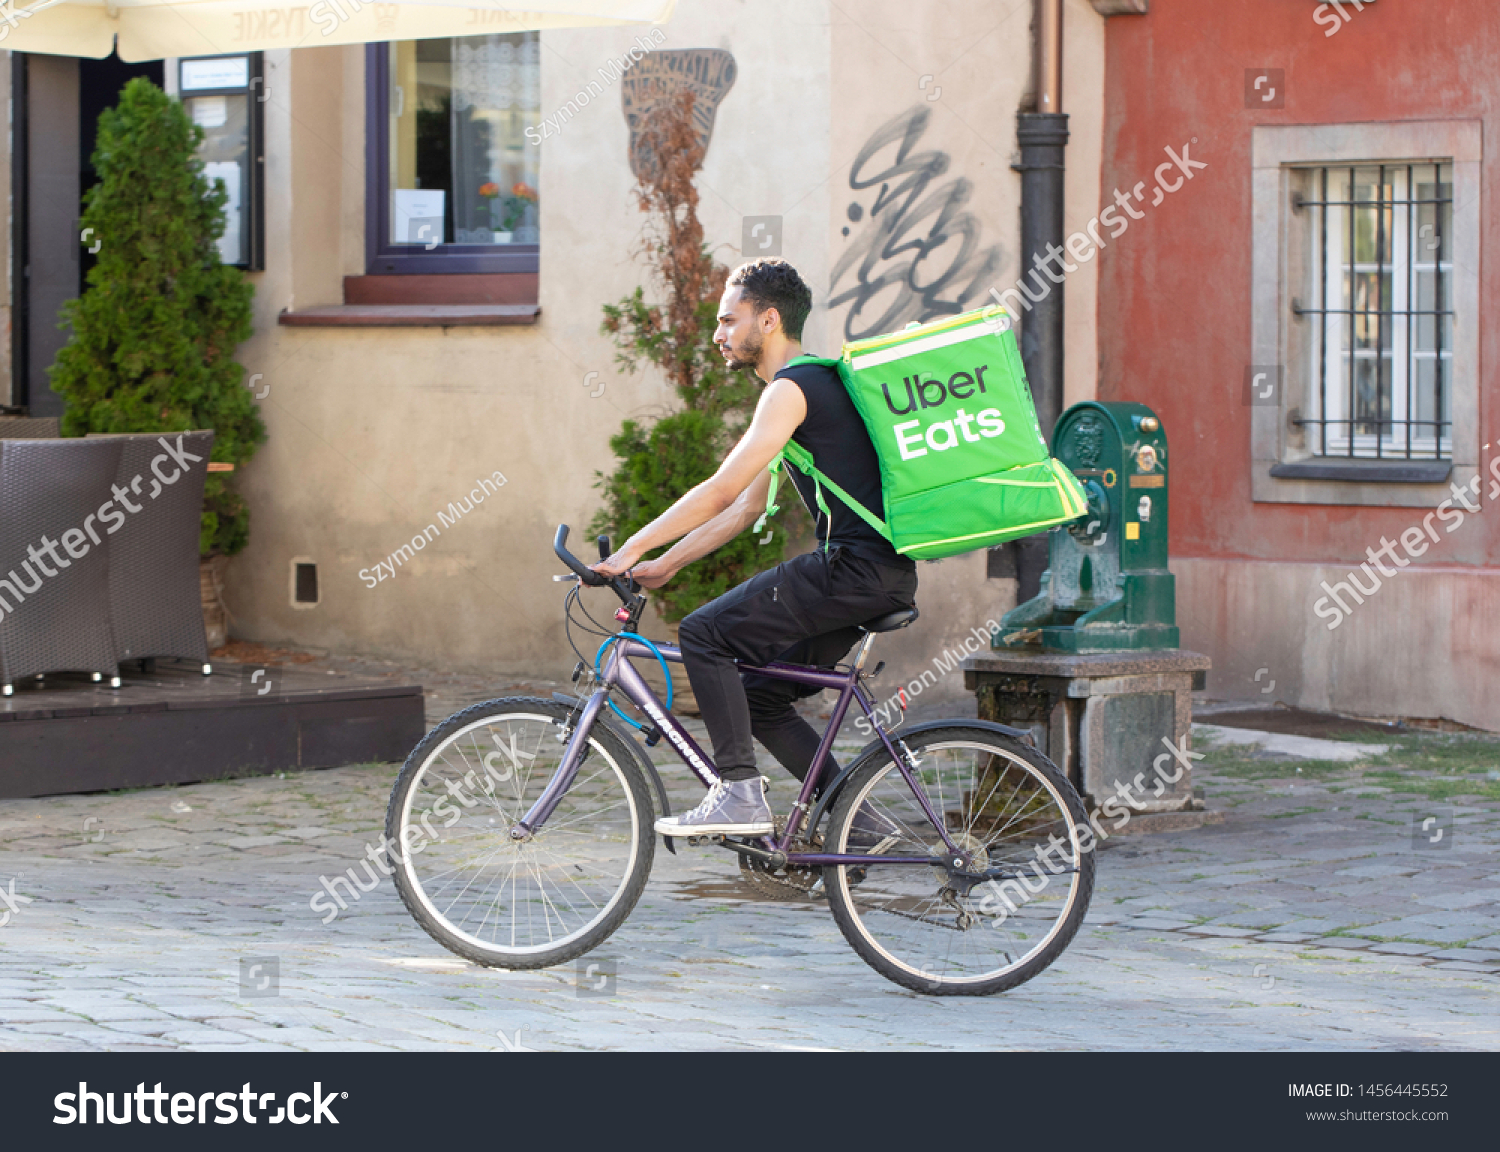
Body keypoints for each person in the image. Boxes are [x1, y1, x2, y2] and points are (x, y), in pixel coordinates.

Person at [592, 258, 917, 837]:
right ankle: (856, 822)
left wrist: (628, 551)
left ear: (768, 320)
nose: (718, 334)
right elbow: (746, 509)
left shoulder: (792, 389)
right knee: (761, 698)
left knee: (703, 633)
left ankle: (739, 795)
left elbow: (721, 491)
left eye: (728, 319)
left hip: (851, 571)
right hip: (878, 577)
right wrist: (666, 563)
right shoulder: (806, 386)